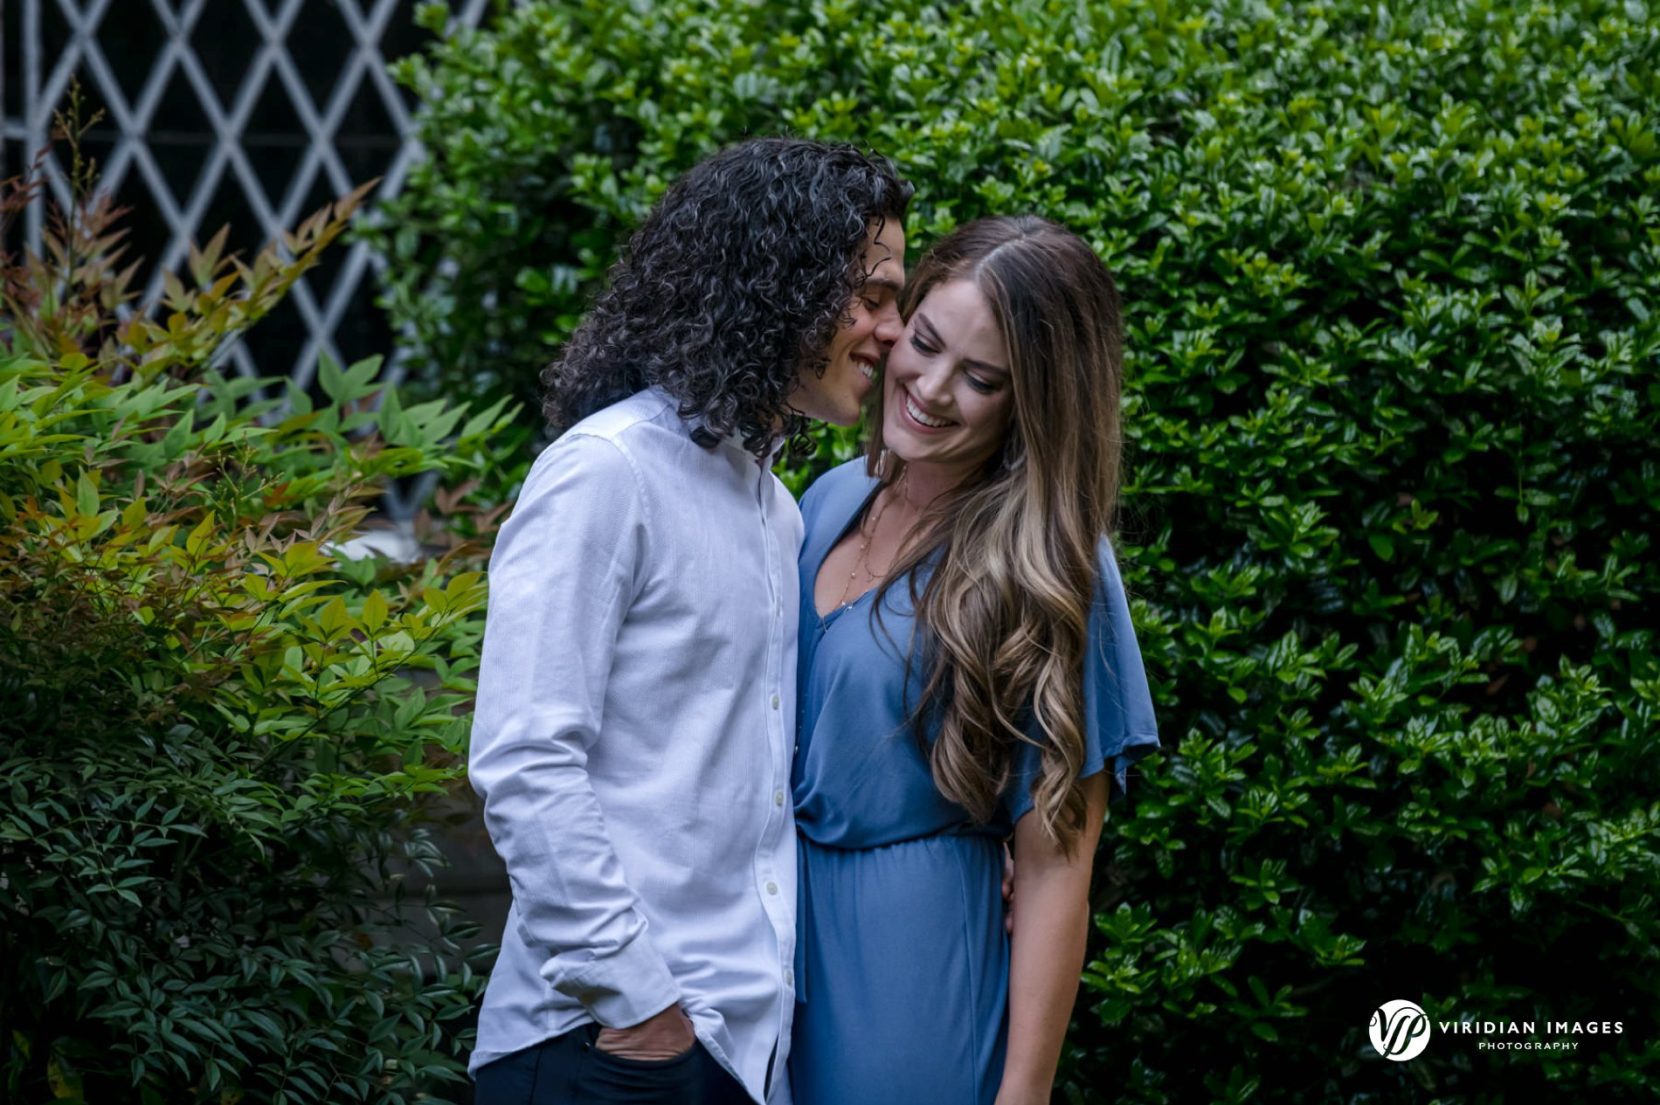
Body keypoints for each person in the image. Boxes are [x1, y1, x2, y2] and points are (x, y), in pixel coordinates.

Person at [467, 137, 910, 1105]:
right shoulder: (609, 470)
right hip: (607, 1049)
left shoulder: (774, 507)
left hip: (736, 1049)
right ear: (777, 284)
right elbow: (524, 755)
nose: (891, 331)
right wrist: (637, 1006)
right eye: (871, 295)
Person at [789, 215, 1161, 1105]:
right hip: (766, 957)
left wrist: (1022, 1095)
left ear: (1034, 400)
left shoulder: (1050, 564)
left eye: (982, 378)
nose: (931, 387)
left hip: (910, 978)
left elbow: (1055, 862)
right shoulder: (820, 501)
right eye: (925, 342)